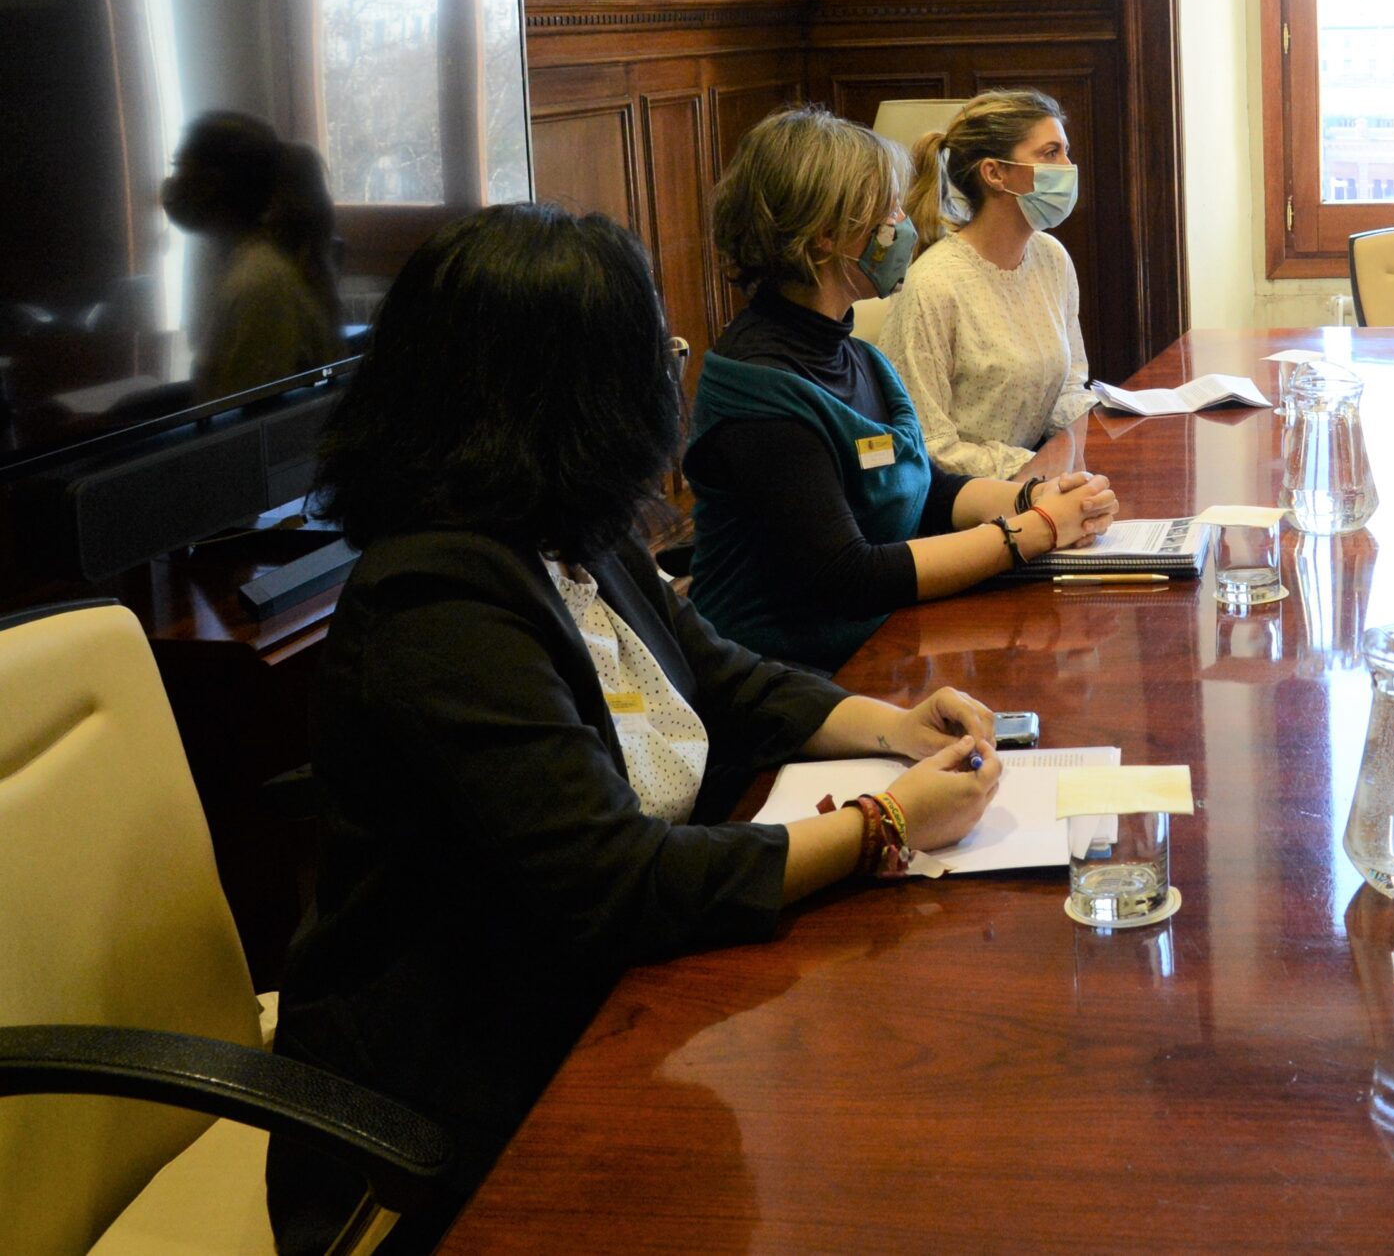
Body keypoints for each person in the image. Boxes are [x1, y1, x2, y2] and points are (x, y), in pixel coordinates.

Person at [267, 203, 1002, 1253]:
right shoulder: (439, 603)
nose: (670, 371)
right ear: (565, 389)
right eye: (651, 349)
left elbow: (715, 672)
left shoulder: (563, 527)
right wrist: (881, 826)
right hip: (465, 1105)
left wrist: (889, 725)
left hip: (605, 1007)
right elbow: (615, 882)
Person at [685, 107, 1119, 668]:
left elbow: (922, 489)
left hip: (885, 646)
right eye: (886, 210)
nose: (903, 223)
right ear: (824, 236)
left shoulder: (854, 354)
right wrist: (1030, 532)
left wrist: (1032, 497)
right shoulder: (760, 390)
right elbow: (852, 575)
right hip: (792, 678)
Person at [883, 89, 1098, 478]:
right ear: (995, 173)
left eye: (1066, 152)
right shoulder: (933, 284)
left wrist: (1067, 462)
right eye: (1050, 154)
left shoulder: (1051, 257)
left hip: (1043, 483)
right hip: (964, 504)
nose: (1068, 167)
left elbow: (1071, 385)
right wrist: (1033, 473)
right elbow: (930, 444)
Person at [161, 111, 345, 401]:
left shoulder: (257, 282)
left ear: (210, 183)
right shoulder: (253, 265)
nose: (171, 182)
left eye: (179, 167)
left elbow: (238, 424)